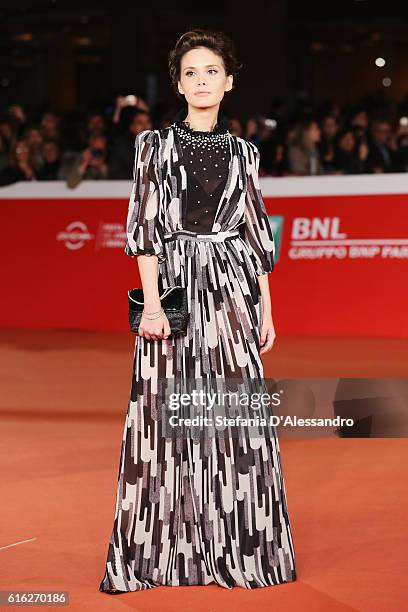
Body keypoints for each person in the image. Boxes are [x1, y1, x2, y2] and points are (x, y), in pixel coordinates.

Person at [98, 28, 297, 593]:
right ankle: (169, 550)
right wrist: (154, 304)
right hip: (177, 290)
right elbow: (144, 230)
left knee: (236, 418)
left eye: (212, 70)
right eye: (191, 72)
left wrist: (266, 308)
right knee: (166, 416)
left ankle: (238, 544)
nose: (202, 80)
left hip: (233, 287)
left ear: (229, 82)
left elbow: (256, 234)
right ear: (179, 84)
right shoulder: (153, 148)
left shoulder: (245, 152)